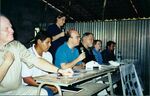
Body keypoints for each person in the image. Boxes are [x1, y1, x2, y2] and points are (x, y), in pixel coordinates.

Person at [0, 14, 73, 95]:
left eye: (11, 27)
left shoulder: (16, 46)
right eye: (7, 28)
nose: (12, 30)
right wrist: (7, 63)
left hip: (19, 89)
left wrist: (60, 71)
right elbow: (27, 79)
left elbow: (36, 60)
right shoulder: (53, 28)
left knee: (44, 93)